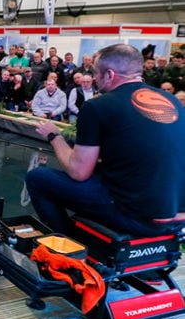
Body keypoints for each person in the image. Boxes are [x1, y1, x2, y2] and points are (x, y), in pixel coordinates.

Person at [26, 44, 185, 236]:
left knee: (38, 178)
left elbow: (79, 172)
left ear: (109, 74)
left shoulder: (98, 106)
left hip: (139, 218)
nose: (94, 78)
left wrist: (54, 135)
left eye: (96, 73)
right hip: (178, 219)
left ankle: (66, 245)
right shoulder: (173, 101)